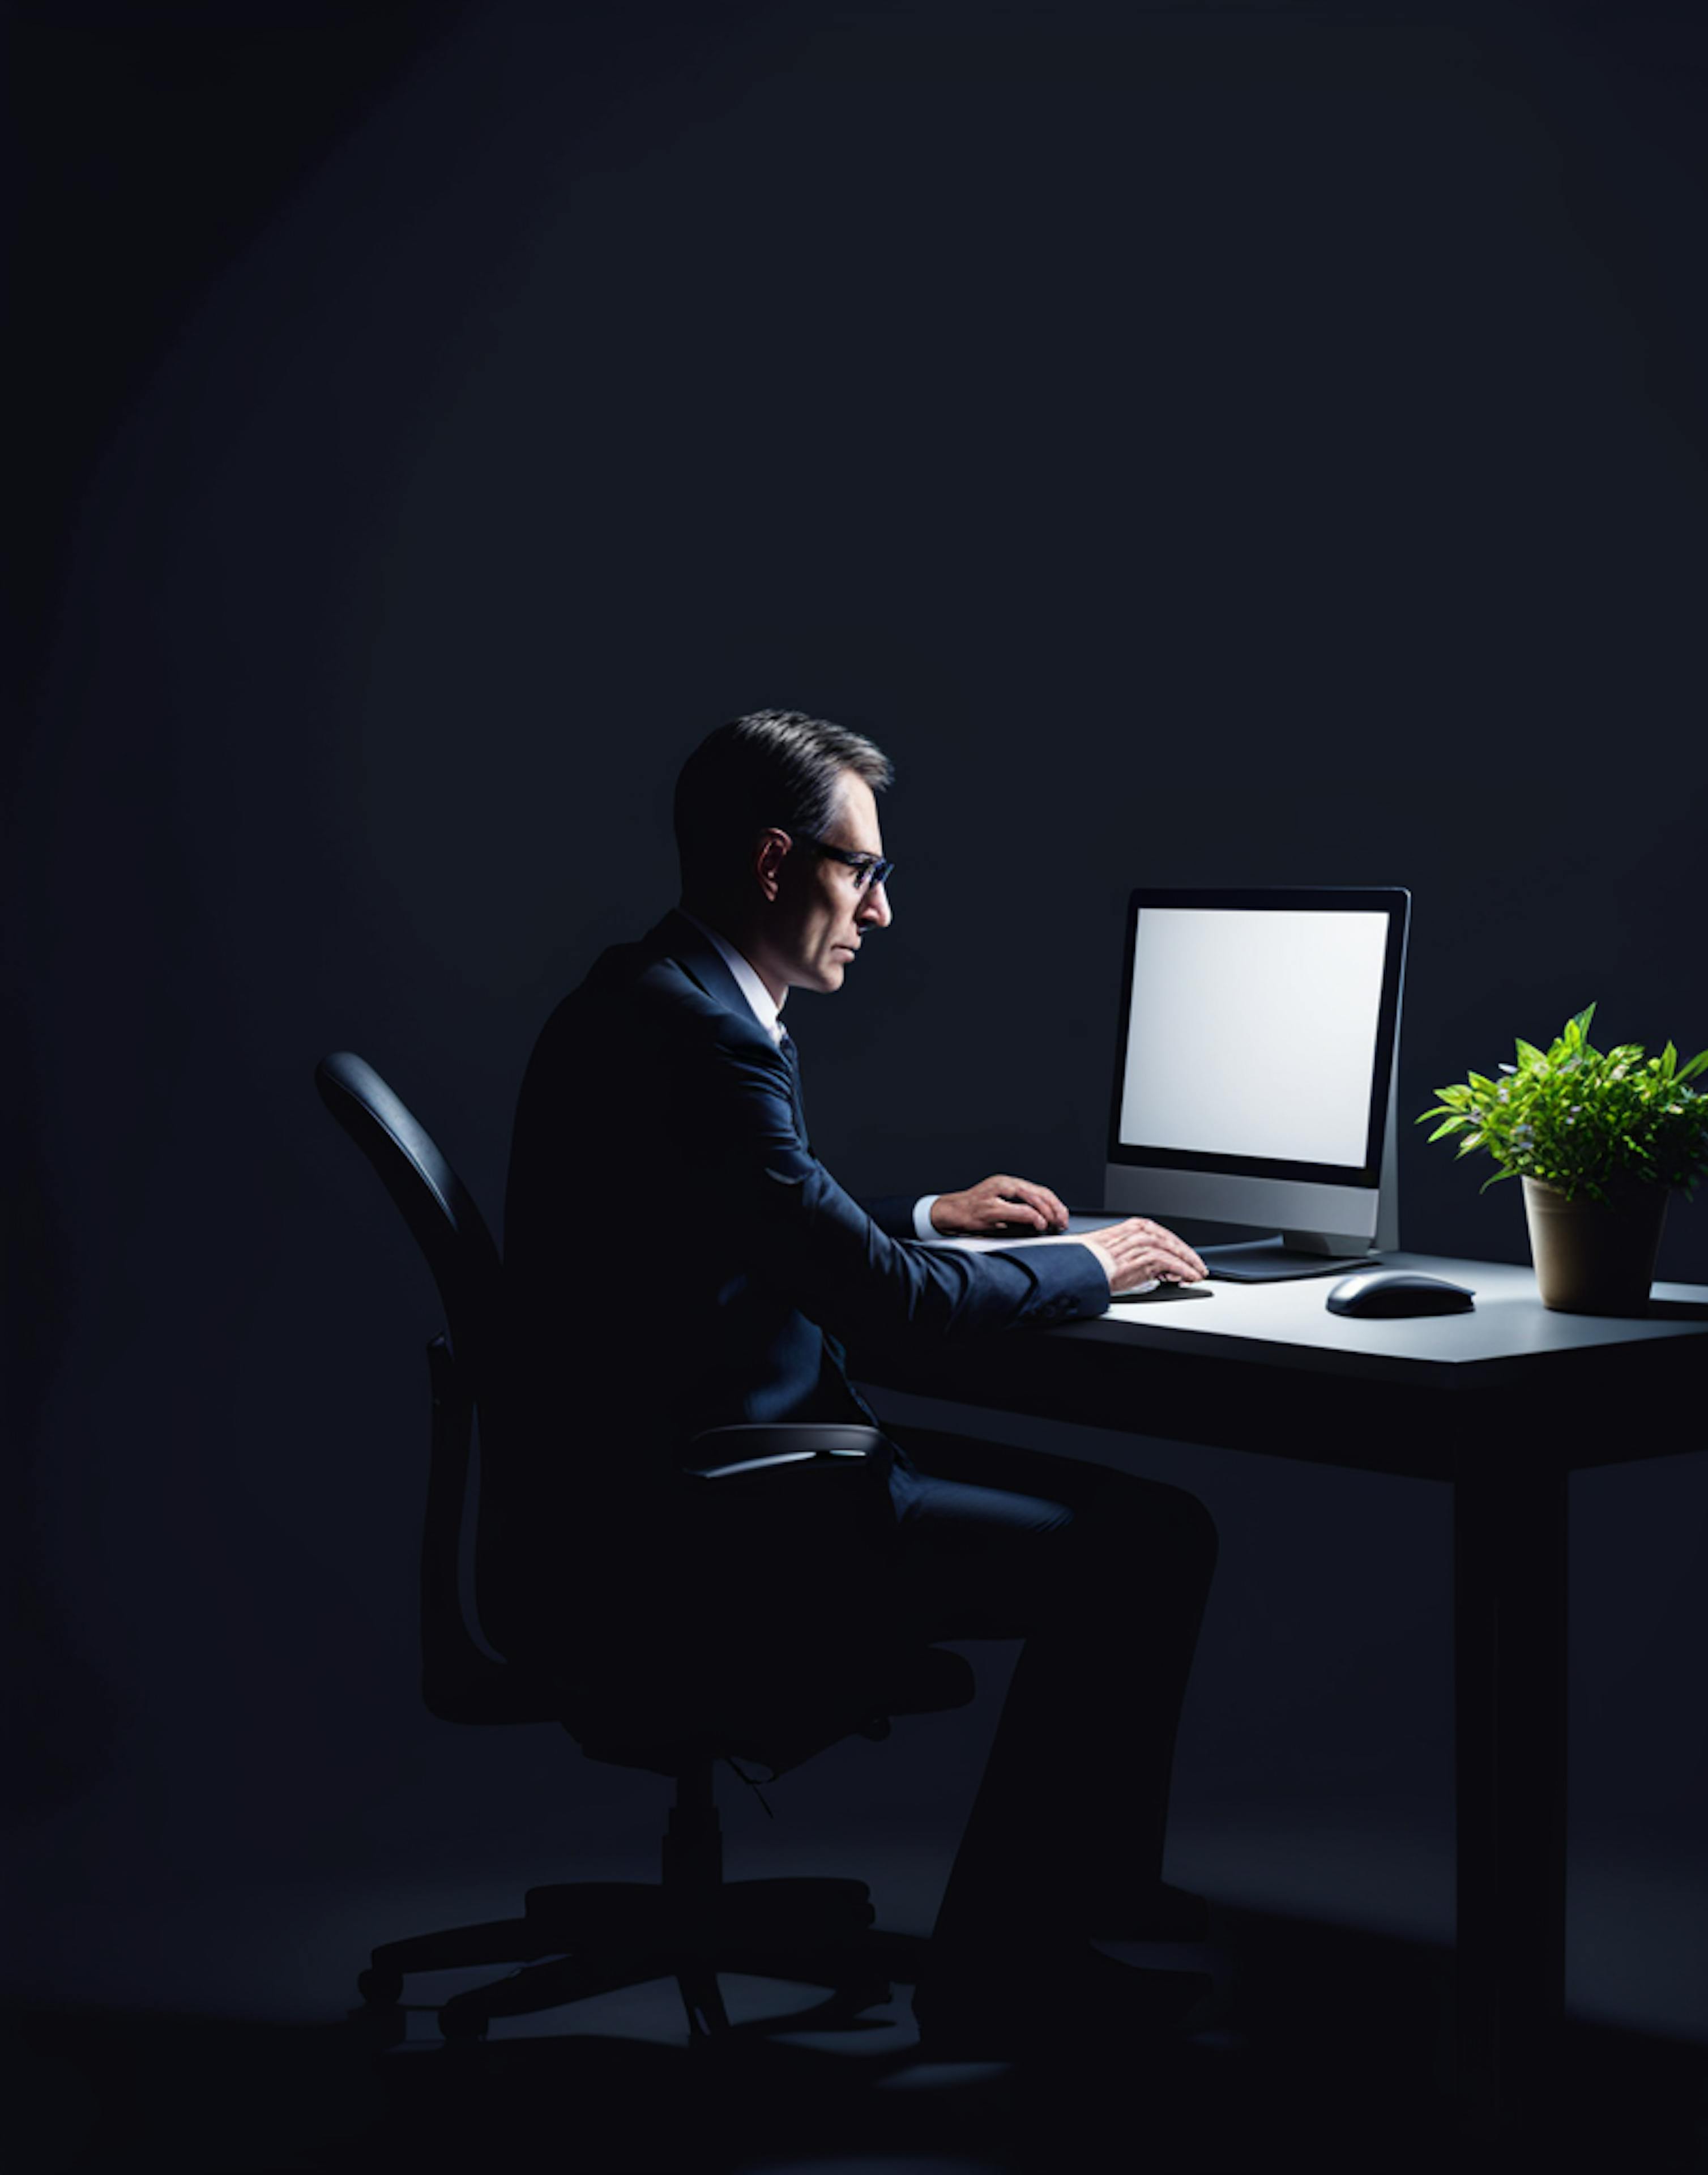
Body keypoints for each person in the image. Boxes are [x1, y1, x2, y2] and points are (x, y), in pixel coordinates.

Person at [497, 707, 1219, 2051]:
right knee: (1149, 1542)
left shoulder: (651, 996)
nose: (881, 911)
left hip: (625, 1499)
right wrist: (1094, 1266)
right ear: (777, 865)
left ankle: (1050, 1929)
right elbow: (883, 1308)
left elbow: (742, 1223)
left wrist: (931, 1212)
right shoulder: (707, 1041)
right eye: (862, 870)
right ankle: (1021, 1962)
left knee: (1129, 1529)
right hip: (720, 1524)